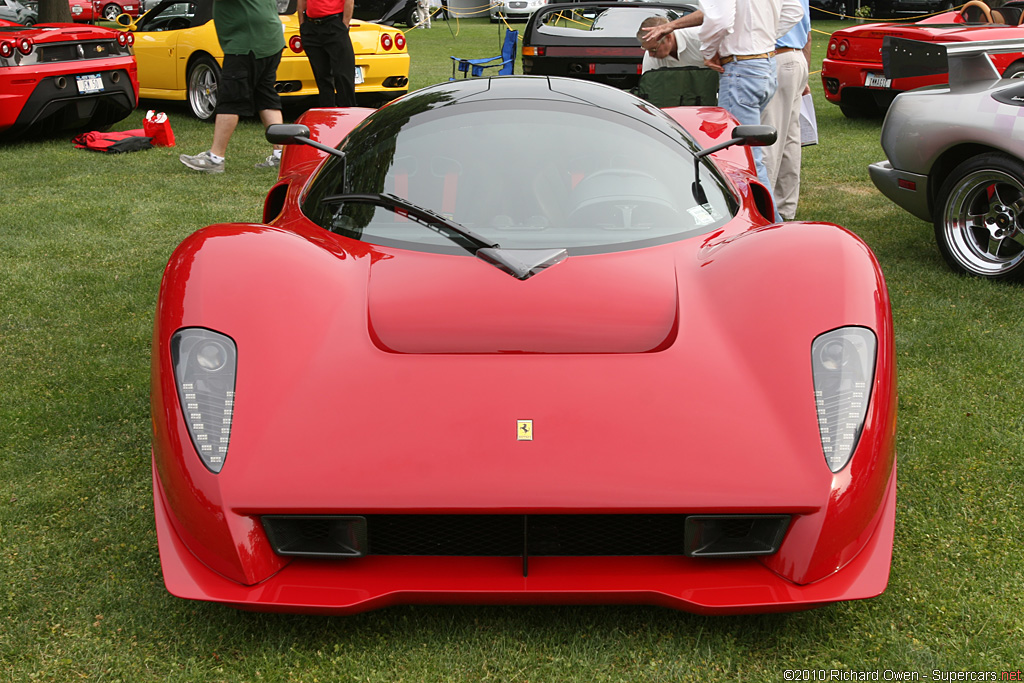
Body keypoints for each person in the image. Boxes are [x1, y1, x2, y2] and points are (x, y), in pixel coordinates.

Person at [644, 0, 804, 209]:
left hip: (741, 67)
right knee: (751, 153)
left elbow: (718, 18)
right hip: (765, 64)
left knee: (741, 157)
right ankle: (766, 217)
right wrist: (763, 39)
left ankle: (764, 220)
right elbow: (794, 11)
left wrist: (710, 52)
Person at [179, 0, 287, 173]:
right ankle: (281, 155)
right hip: (269, 40)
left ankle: (215, 158)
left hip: (246, 44)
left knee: (231, 99)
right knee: (265, 96)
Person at [761, 0, 810, 221]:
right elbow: (807, 33)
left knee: (769, 138)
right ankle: (786, 208)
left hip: (777, 57)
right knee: (790, 140)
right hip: (796, 58)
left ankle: (763, 207)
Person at [636, 16, 718, 107]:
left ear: (668, 37)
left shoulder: (701, 40)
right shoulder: (650, 55)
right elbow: (650, 92)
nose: (650, 55)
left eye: (654, 49)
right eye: (646, 49)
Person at [297, 0, 356, 108]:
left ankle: (348, 113)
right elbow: (301, 2)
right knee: (321, 76)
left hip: (334, 24)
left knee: (343, 75)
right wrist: (302, 25)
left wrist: (344, 25)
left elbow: (349, 1)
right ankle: (326, 113)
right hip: (311, 27)